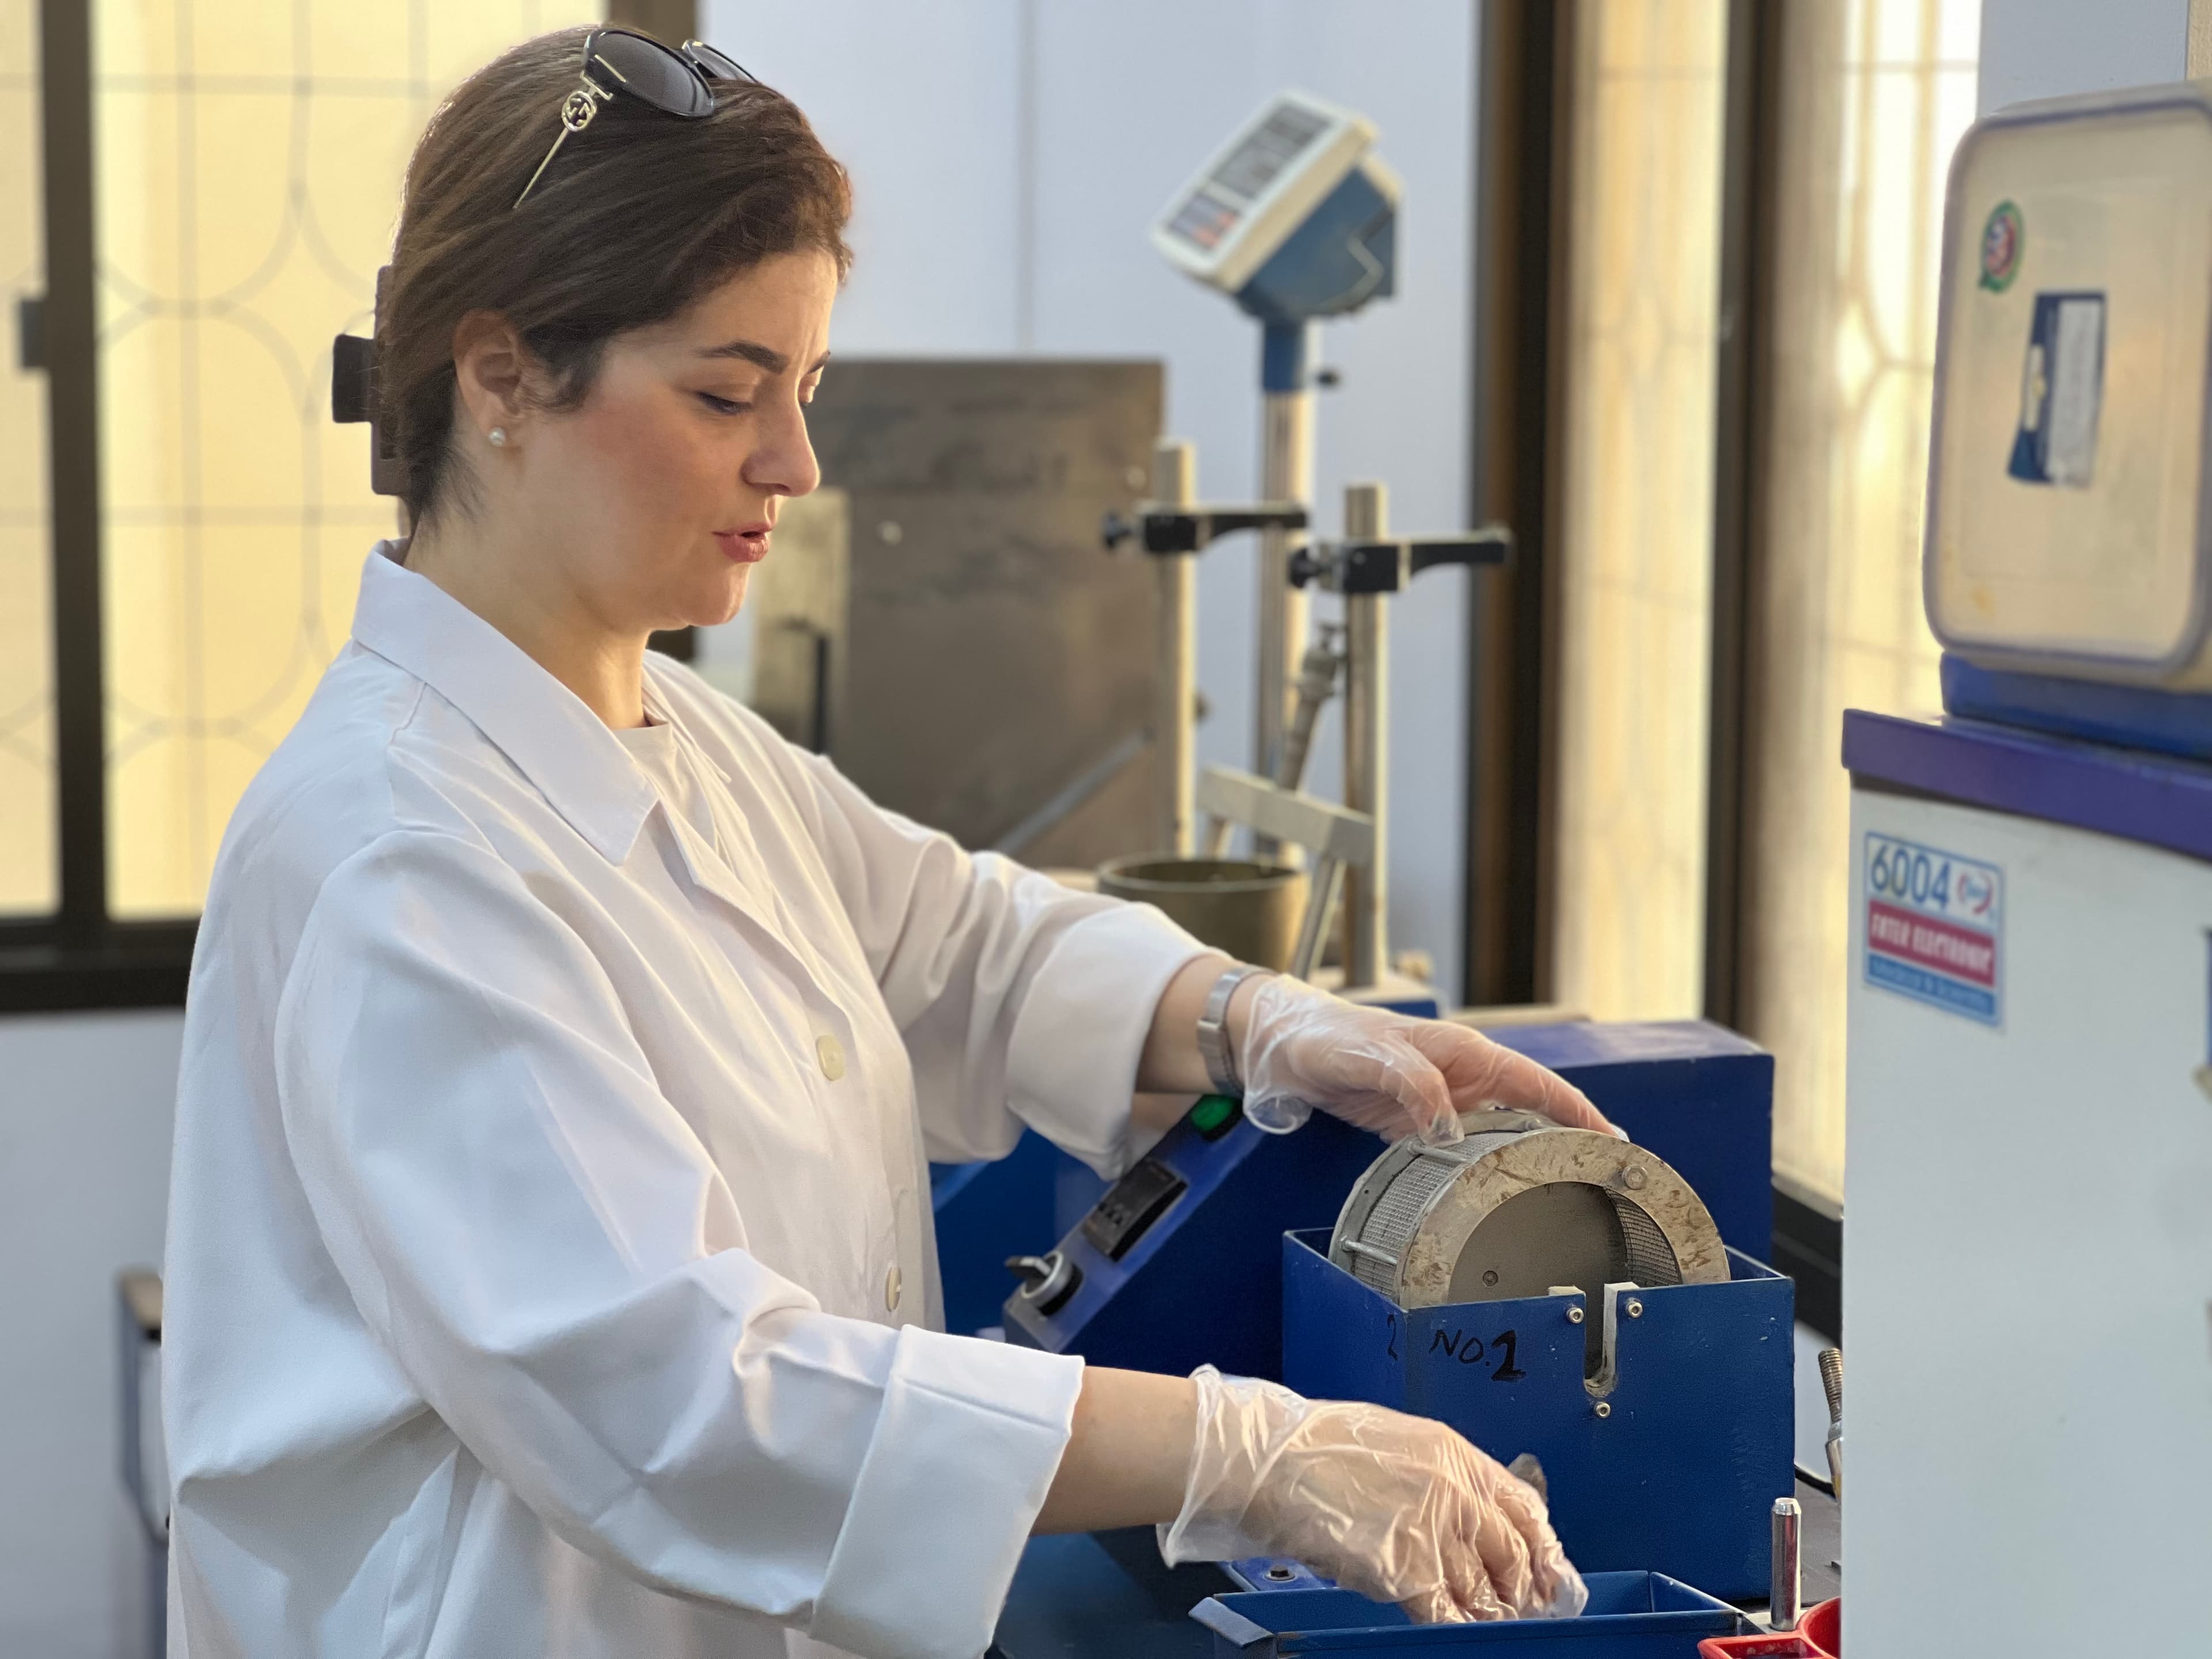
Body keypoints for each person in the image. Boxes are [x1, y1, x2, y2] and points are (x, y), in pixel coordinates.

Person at [161, 27, 1612, 1659]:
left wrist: (1254, 1016)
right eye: (729, 392)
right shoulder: (396, 851)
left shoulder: (678, 740)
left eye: (806, 389)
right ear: (499, 377)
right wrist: (1247, 1452)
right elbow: (684, 1399)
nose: (796, 463)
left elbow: (958, 943)